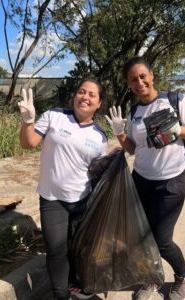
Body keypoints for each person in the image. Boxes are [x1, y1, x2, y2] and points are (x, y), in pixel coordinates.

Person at [105, 57, 185, 300]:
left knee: (161, 240)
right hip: (141, 181)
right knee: (142, 237)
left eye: (142, 77)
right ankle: (151, 278)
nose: (139, 83)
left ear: (152, 76)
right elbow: (133, 149)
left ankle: (183, 276)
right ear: (128, 84)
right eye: (133, 80)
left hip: (171, 181)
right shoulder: (135, 111)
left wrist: (178, 130)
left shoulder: (174, 100)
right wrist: (119, 133)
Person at [19, 79, 108, 300]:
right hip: (52, 200)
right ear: (74, 96)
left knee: (79, 249)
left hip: (82, 201)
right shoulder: (55, 115)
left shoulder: (100, 136)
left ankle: (78, 284)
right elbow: (28, 143)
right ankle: (61, 295)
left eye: (92, 95)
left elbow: (97, 173)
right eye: (81, 91)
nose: (85, 97)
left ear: (99, 104)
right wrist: (28, 121)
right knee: (56, 251)